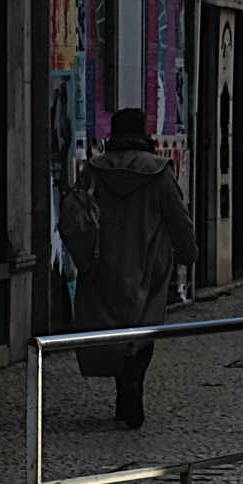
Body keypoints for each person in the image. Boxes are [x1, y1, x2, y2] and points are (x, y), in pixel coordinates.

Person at [70, 109, 196, 429]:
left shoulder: (94, 170)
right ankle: (132, 384)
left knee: (113, 332)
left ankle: (122, 389)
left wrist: (85, 257)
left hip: (104, 266)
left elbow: (74, 213)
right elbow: (178, 218)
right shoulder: (158, 172)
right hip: (147, 268)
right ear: (144, 134)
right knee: (141, 332)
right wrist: (186, 252)